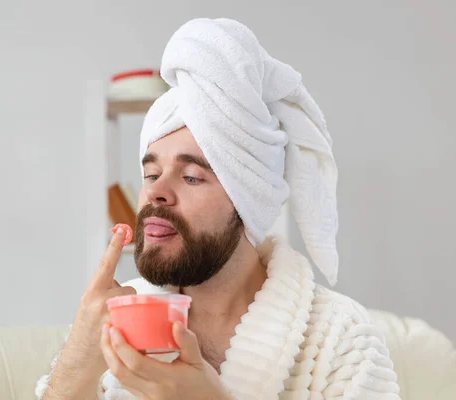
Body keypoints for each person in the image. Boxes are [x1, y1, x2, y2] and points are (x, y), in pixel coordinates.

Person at [36, 18, 401, 400]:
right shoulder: (117, 317)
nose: (156, 193)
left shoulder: (340, 338)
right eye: (151, 173)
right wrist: (77, 363)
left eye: (191, 177)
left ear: (247, 202)